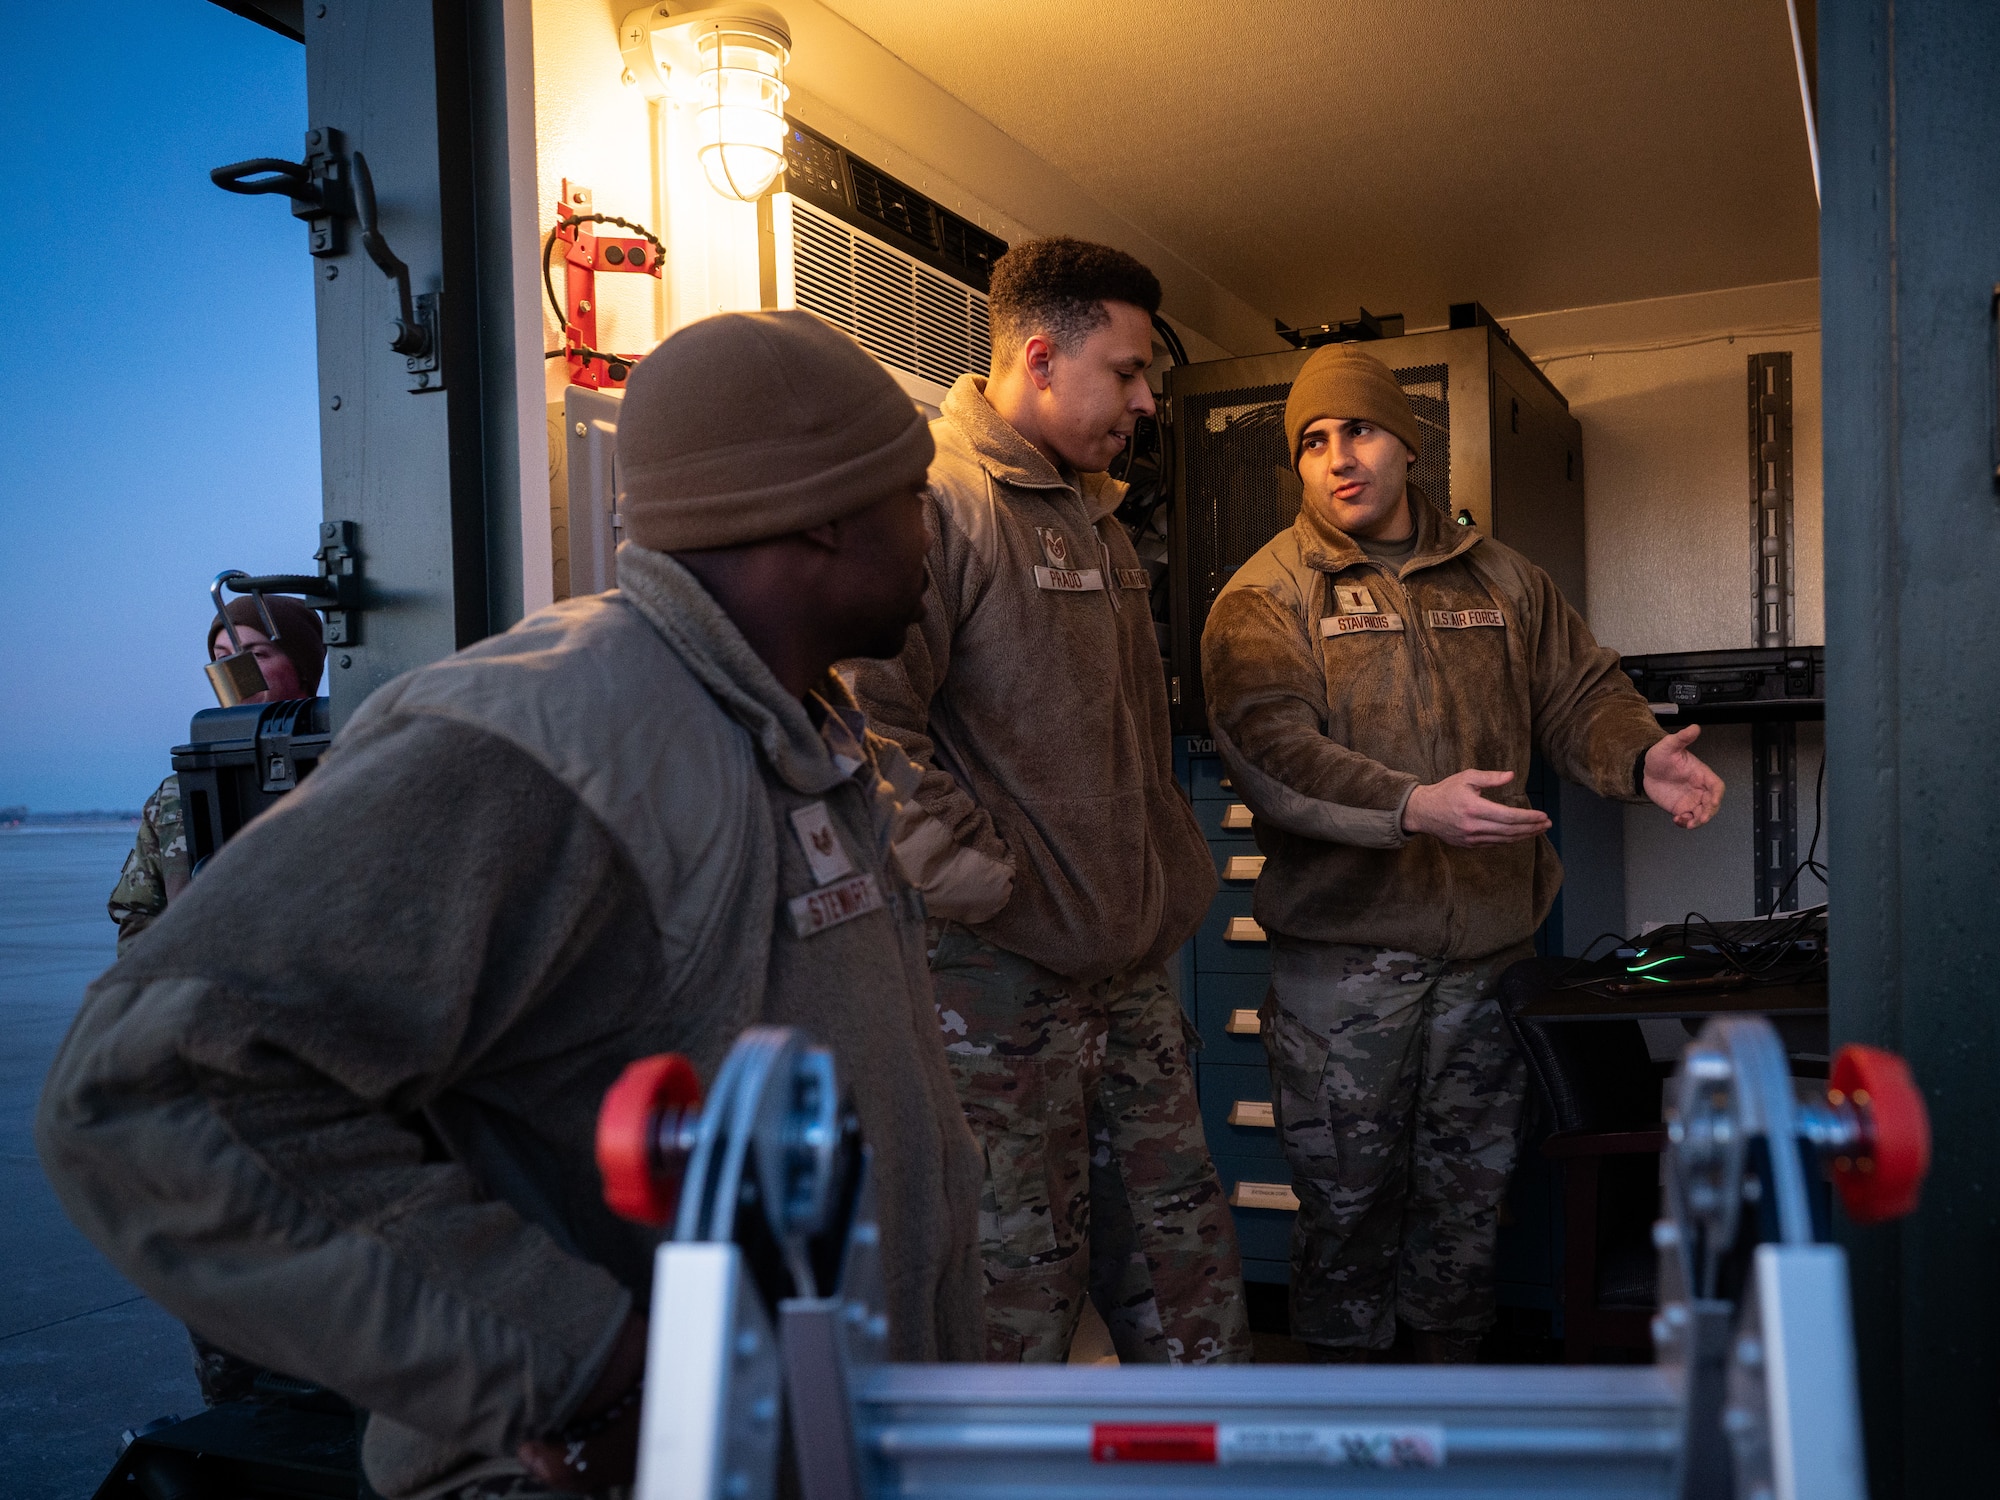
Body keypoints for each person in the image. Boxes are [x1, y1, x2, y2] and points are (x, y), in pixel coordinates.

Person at [40, 310, 984, 1500]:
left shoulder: (783, 729)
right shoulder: (557, 737)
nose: (933, 535)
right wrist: (576, 1362)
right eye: (913, 495)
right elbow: (149, 1092)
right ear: (818, 513)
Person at [1200, 343, 1724, 1363]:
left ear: (1406, 440)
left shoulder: (1501, 579)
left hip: (1486, 962)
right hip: (1344, 975)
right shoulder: (1265, 597)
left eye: (1355, 430)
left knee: (1466, 1213)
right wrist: (1411, 807)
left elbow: (1577, 695)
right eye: (1310, 442)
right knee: (1346, 1218)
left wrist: (1635, 757)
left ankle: (1453, 1420)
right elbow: (1275, 755)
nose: (1335, 458)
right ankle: (1348, 1441)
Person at [849, 236, 1249, 1366]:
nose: (1143, 403)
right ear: (1037, 355)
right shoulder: (937, 500)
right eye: (1125, 374)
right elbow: (864, 722)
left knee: (1187, 1288)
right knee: (1011, 1305)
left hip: (1123, 975)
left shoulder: (1097, 515)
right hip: (995, 989)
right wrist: (987, 882)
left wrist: (1165, 871)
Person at [107, 595, 326, 955]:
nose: (236, 674)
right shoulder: (177, 794)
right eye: (222, 658)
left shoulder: (349, 768)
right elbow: (138, 917)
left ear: (302, 667)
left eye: (256, 655)